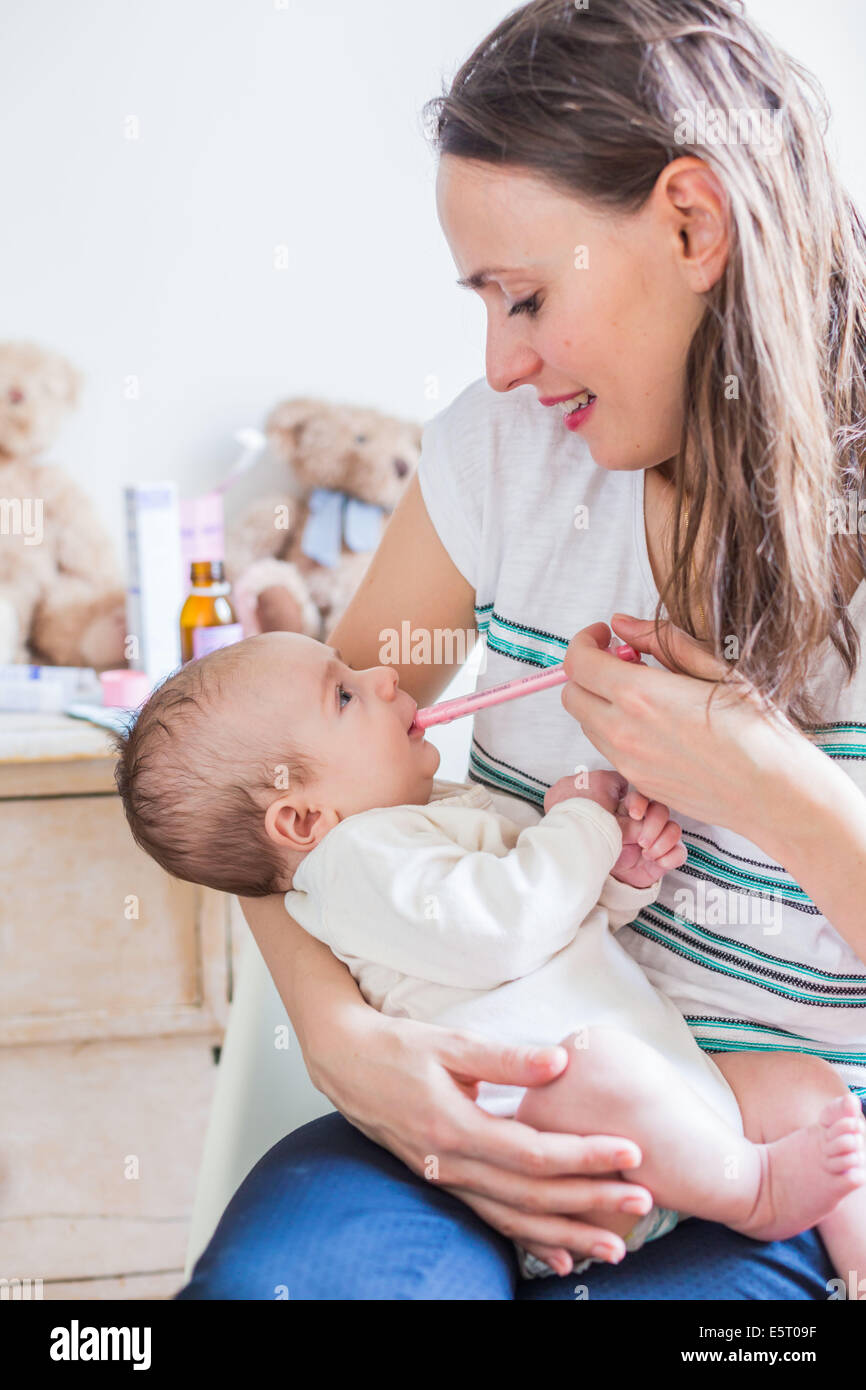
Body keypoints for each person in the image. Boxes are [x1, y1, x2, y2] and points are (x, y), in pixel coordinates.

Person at [177, 0, 866, 1299]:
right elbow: (271, 781)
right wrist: (342, 1043)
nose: (497, 365)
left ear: (690, 225)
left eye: (528, 297)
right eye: (484, 305)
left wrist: (766, 781)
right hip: (458, 1107)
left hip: (763, 1153)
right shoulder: (501, 456)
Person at [113, 631, 866, 1282]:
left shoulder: (421, 816)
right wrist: (579, 821)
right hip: (561, 1141)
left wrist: (620, 876)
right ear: (303, 817)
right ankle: (758, 1193)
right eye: (344, 696)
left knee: (805, 1087)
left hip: (668, 1099)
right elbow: (506, 928)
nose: (383, 678)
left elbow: (554, 933)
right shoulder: (355, 863)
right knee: (602, 1065)